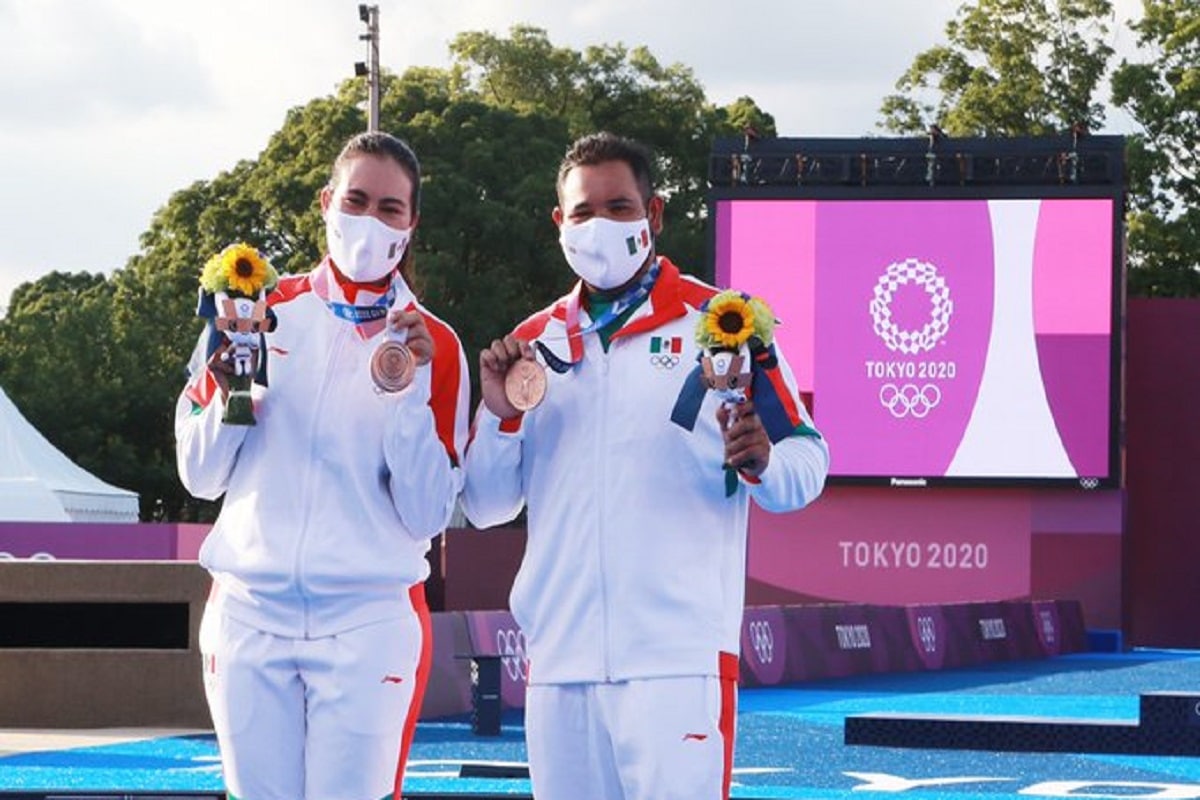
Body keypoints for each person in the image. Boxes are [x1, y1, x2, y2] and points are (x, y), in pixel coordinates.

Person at [461, 132, 830, 800]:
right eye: (583, 212)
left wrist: (764, 461)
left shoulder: (726, 324)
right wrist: (500, 414)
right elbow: (485, 505)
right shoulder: (534, 342)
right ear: (559, 223)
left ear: (654, 214)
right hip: (559, 664)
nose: (599, 225)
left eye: (619, 207)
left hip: (677, 662)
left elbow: (808, 460)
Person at [175, 131, 469, 800]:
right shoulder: (255, 313)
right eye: (356, 199)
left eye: (390, 208)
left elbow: (427, 514)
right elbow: (199, 476)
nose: (369, 220)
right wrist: (230, 384)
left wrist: (408, 394)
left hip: (367, 621)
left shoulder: (435, 344)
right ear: (326, 202)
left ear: (411, 223)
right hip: (250, 614)